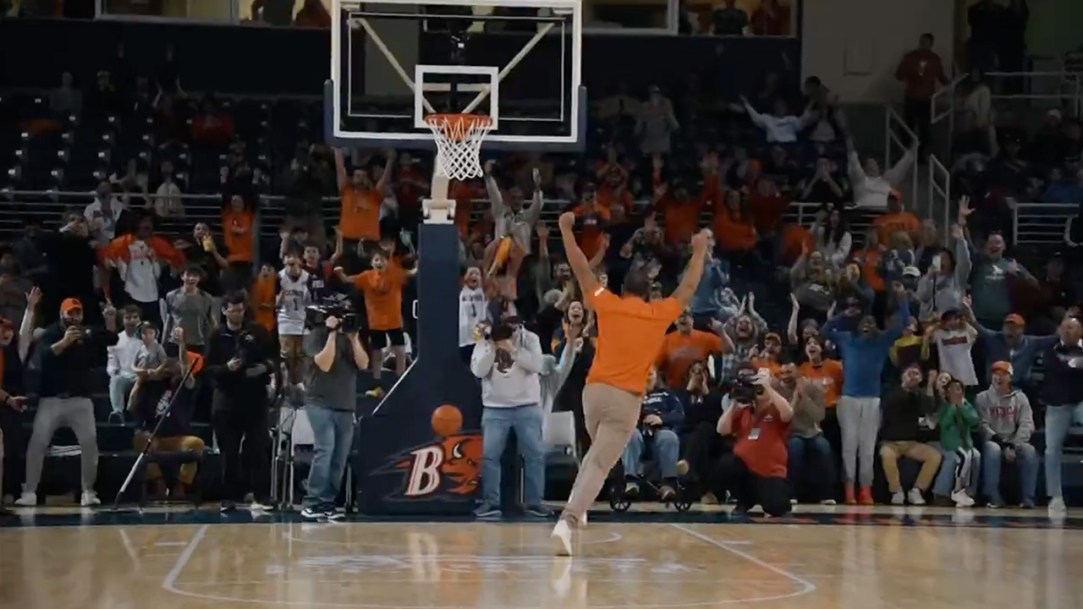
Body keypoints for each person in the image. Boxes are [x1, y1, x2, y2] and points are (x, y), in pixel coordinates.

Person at [550, 212, 710, 556]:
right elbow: (688, 287)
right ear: (649, 294)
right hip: (625, 400)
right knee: (598, 463)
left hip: (592, 393)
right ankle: (568, 519)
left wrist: (565, 229)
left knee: (594, 455)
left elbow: (580, 268)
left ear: (622, 291)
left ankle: (583, 504)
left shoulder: (608, 304)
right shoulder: (657, 314)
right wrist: (699, 251)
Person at [16, 298, 118, 507]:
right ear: (62, 314)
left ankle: (88, 491)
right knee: (38, 442)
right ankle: (29, 492)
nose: (74, 317)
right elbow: (43, 356)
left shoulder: (86, 333)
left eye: (78, 313)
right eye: (70, 313)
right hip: (52, 399)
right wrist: (64, 342)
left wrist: (110, 319)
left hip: (80, 400)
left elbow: (112, 339)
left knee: (89, 442)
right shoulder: (51, 332)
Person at [821, 283, 911, 505]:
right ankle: (849, 489)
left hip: (872, 399)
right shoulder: (846, 339)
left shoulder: (881, 342)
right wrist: (842, 315)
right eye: (864, 322)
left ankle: (866, 490)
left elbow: (904, 326)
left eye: (872, 322)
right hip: (849, 399)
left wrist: (902, 301)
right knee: (849, 447)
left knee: (868, 448)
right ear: (858, 325)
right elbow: (824, 332)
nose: (868, 325)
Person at [469, 313, 549, 520]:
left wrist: (513, 349)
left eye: (513, 327)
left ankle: (535, 502)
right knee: (490, 457)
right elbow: (478, 371)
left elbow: (537, 366)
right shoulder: (484, 342)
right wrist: (493, 347)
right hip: (495, 408)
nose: (510, 331)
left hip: (527, 406)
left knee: (535, 455)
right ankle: (491, 502)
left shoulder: (530, 339)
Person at [204, 292, 277, 512]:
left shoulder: (257, 331)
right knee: (229, 451)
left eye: (241, 309)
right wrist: (227, 368)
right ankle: (228, 498)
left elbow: (274, 357)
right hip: (226, 400)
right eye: (233, 309)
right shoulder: (216, 336)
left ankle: (261, 496)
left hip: (254, 398)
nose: (237, 313)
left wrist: (264, 368)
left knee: (257, 448)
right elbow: (208, 369)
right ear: (225, 310)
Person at [300, 309, 369, 520]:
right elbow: (325, 363)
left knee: (340, 457)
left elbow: (363, 363)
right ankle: (312, 501)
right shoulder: (316, 336)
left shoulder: (349, 338)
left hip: (345, 404)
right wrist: (331, 333)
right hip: (319, 402)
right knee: (325, 449)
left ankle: (328, 502)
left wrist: (354, 337)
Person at [130, 328, 206, 500]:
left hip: (178, 438)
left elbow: (187, 370)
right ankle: (158, 483)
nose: (174, 366)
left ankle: (181, 484)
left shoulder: (183, 386)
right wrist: (144, 378)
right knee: (142, 440)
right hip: (154, 436)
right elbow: (132, 405)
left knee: (196, 443)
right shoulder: (150, 385)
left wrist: (181, 344)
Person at [712, 367, 794, 516]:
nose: (758, 390)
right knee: (727, 463)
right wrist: (735, 402)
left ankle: (771, 499)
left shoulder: (776, 407)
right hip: (747, 473)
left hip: (770, 473)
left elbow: (788, 413)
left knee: (777, 507)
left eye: (760, 387)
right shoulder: (744, 411)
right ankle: (743, 500)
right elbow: (721, 429)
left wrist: (767, 387)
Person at [975, 361, 1038, 508]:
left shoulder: (1020, 398)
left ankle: (1028, 497)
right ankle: (993, 496)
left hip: (1015, 440)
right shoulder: (982, 398)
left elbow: (1027, 423)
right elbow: (982, 426)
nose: (998, 377)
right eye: (995, 374)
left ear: (1010, 377)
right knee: (992, 449)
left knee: (1029, 451)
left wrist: (1014, 445)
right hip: (994, 440)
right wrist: (1002, 445)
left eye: (1003, 374)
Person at [878, 364, 942, 505]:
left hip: (911, 443)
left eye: (916, 374)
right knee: (886, 455)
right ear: (902, 375)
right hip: (891, 442)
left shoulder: (919, 394)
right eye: (910, 373)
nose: (913, 376)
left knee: (934, 456)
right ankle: (896, 491)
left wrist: (930, 384)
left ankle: (917, 491)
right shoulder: (892, 391)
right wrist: (906, 387)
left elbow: (929, 407)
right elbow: (890, 405)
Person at [1039, 315, 1083, 515]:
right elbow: (1056, 370)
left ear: (1080, 331)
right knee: (1051, 450)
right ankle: (1055, 497)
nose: (1067, 331)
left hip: (1081, 403)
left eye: (1072, 327)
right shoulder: (1051, 350)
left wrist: (1069, 368)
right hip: (1057, 405)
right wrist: (1074, 366)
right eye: (1065, 327)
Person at [620, 367, 684, 501]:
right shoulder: (630, 395)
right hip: (637, 436)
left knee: (669, 437)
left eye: (651, 374)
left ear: (656, 376)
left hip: (659, 436)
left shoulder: (666, 395)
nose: (648, 377)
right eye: (644, 374)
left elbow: (679, 415)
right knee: (630, 434)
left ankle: (668, 484)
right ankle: (631, 481)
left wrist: (661, 419)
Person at [777, 360, 832, 504]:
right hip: (790, 432)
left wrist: (804, 397)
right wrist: (795, 398)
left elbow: (819, 416)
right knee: (796, 448)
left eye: (789, 372)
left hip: (811, 431)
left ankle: (826, 494)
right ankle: (792, 493)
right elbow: (785, 418)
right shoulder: (777, 390)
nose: (785, 376)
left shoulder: (813, 390)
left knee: (823, 447)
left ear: (798, 373)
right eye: (782, 373)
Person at [937, 376, 982, 507]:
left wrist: (962, 407)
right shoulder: (945, 406)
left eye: (958, 389)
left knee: (975, 455)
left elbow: (974, 421)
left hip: (965, 442)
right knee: (964, 457)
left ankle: (968, 491)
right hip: (950, 442)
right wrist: (953, 407)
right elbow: (944, 423)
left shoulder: (966, 405)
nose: (955, 392)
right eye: (951, 389)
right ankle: (958, 489)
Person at [106, 305, 144, 418]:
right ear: (122, 321)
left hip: (143, 376)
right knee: (115, 380)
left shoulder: (147, 338)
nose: (132, 320)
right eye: (128, 317)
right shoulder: (116, 339)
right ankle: (118, 413)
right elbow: (112, 364)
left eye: (135, 317)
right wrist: (114, 372)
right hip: (125, 376)